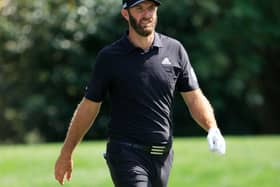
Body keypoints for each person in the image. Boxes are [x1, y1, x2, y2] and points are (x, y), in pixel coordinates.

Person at [54, 0, 226, 186]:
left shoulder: (175, 50)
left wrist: (212, 128)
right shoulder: (109, 57)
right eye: (139, 9)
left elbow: (193, 97)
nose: (147, 14)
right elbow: (89, 106)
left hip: (163, 156)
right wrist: (67, 152)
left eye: (151, 8)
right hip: (126, 153)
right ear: (125, 14)